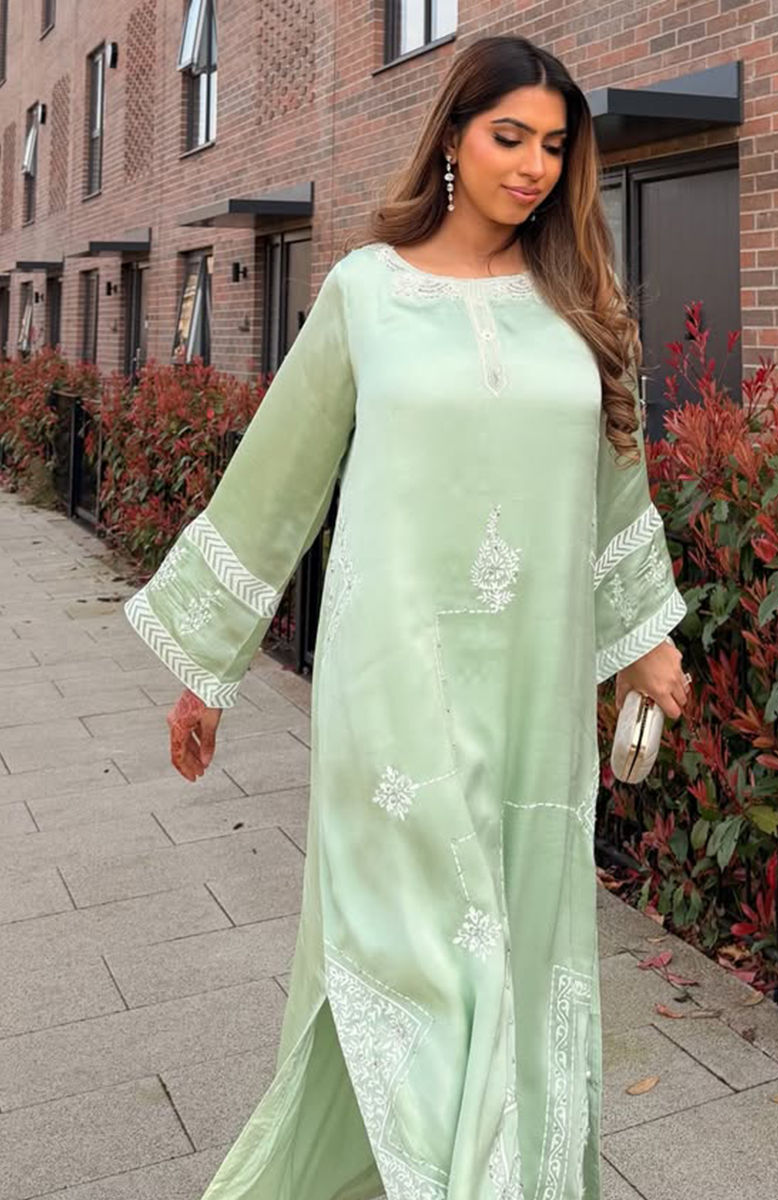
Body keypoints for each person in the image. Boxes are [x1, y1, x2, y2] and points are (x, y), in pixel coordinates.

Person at [124, 33, 692, 1200]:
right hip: (391, 689)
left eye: (553, 147)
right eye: (507, 137)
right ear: (449, 138)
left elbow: (611, 492)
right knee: (435, 966)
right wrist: (205, 672)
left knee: (510, 961)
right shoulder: (364, 293)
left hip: (532, 699)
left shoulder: (580, 304)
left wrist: (644, 644)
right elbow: (275, 484)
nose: (531, 166)